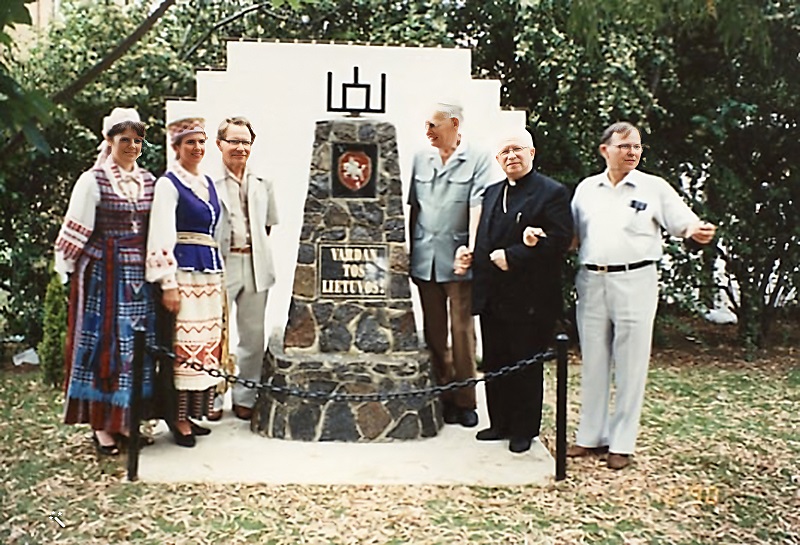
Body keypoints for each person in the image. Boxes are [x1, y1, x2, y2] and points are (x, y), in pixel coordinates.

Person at [569, 121, 716, 469]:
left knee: (631, 363)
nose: (632, 152)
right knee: (593, 360)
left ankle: (622, 443)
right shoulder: (587, 189)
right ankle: (590, 437)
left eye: (637, 146)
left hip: (636, 280)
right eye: (624, 146)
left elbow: (685, 223)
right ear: (605, 150)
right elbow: (572, 236)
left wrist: (698, 230)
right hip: (591, 281)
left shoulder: (654, 188)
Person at [460, 128, 573, 453]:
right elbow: (485, 237)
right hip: (493, 295)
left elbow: (561, 239)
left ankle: (524, 429)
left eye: (517, 150)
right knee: (496, 360)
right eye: (505, 152)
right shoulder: (494, 192)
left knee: (524, 362)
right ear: (498, 159)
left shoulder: (551, 192)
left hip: (530, 298)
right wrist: (469, 256)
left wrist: (516, 255)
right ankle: (500, 423)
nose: (511, 156)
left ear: (532, 153)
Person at [55, 107, 157, 455]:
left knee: (133, 348)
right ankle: (101, 426)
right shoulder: (93, 180)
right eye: (124, 139)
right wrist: (67, 270)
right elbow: (76, 228)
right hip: (103, 273)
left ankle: (125, 421)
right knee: (103, 348)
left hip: (138, 277)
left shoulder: (148, 181)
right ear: (109, 140)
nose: (131, 145)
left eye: (137, 140)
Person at [407, 102, 492, 428]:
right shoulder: (420, 157)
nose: (427, 132)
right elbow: (414, 207)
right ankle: (442, 397)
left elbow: (477, 206)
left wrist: (471, 248)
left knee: (461, 333)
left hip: (459, 260)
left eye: (433, 125)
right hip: (425, 258)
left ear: (454, 123)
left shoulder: (478, 157)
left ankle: (465, 400)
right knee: (434, 332)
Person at [146, 117, 225, 447]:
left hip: (207, 272)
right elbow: (161, 233)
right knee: (182, 344)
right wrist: (168, 283)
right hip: (183, 273)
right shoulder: (168, 184)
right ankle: (176, 417)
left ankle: (192, 412)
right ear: (176, 147)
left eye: (201, 142)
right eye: (189, 142)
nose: (196, 148)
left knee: (204, 343)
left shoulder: (206, 182)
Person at [210, 116, 278, 421]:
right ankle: (211, 397)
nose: (240, 147)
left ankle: (246, 396)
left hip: (254, 263)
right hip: (220, 264)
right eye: (233, 141)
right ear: (219, 144)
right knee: (214, 333)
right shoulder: (208, 182)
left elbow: (267, 225)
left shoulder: (263, 182)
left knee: (252, 335)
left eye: (245, 142)